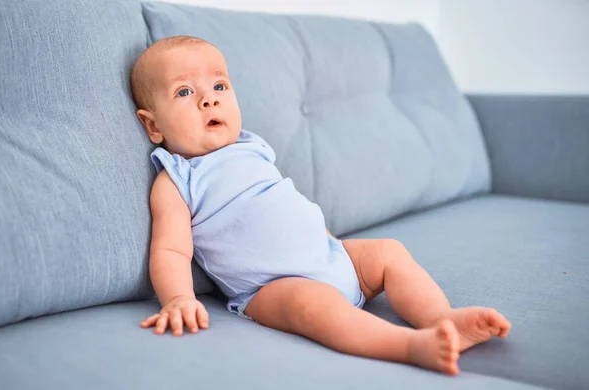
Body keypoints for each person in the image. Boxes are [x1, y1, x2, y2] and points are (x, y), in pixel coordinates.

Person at [130, 36, 511, 375]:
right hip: (272, 288)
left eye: (219, 85)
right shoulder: (178, 180)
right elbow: (171, 249)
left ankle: (439, 319)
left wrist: (333, 244)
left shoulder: (253, 148)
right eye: (184, 92)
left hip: (334, 256)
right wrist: (179, 298)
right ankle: (409, 347)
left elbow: (286, 205)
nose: (208, 98)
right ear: (153, 127)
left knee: (389, 252)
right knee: (313, 305)